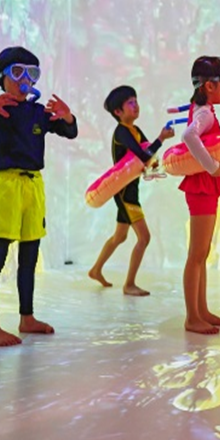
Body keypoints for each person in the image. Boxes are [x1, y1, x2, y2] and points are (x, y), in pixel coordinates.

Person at [0, 46, 78, 347]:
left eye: (31, 73)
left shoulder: (38, 112)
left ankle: (26, 317)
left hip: (33, 186)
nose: (24, 80)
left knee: (30, 255)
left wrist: (68, 117)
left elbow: (69, 132)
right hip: (6, 185)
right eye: (17, 72)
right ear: (2, 78)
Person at [88, 85, 175, 295]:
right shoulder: (122, 132)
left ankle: (95, 270)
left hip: (130, 189)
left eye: (136, 101)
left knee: (120, 237)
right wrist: (161, 139)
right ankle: (129, 284)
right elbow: (143, 156)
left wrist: (154, 165)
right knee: (144, 238)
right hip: (125, 193)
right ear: (118, 111)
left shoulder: (135, 130)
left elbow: (148, 156)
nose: (136, 106)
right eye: (130, 103)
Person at [180, 56, 220, 334]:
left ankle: (201, 310)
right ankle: (192, 316)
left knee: (202, 253)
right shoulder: (205, 113)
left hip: (203, 187)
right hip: (201, 186)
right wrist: (213, 167)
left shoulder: (204, 108)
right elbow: (189, 136)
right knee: (197, 254)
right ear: (210, 86)